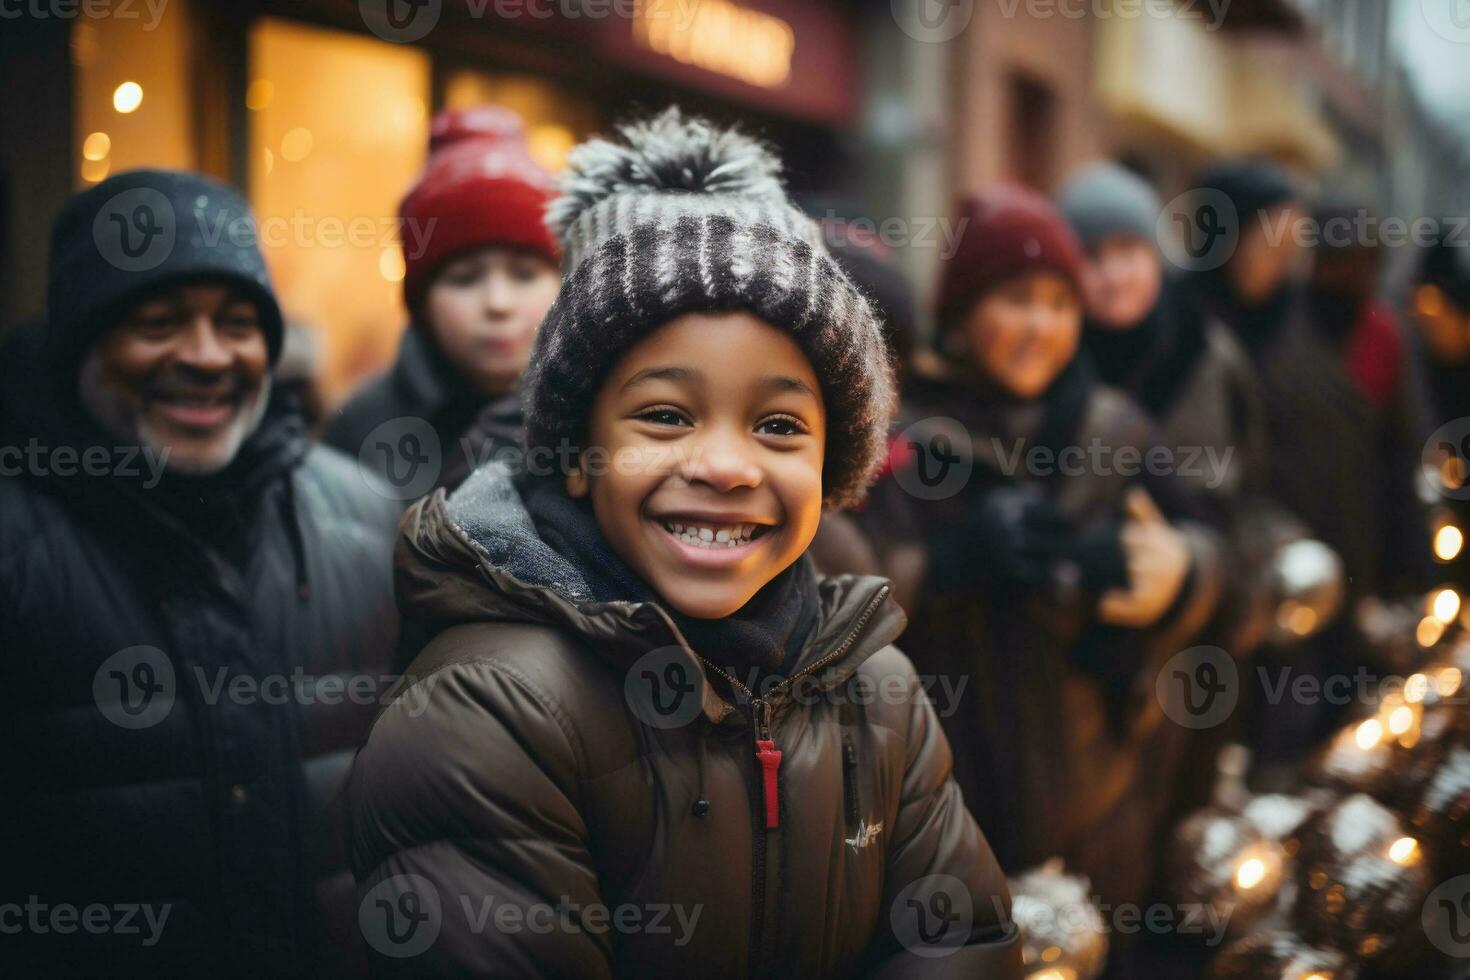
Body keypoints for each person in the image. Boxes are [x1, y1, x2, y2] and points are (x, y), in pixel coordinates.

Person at [347, 109, 1023, 978]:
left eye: (779, 425)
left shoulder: (874, 685)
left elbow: (960, 939)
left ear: (835, 468)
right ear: (577, 457)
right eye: (666, 416)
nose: (725, 465)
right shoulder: (487, 714)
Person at [0, 170, 402, 978]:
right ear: (84, 339)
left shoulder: (367, 518)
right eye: (158, 323)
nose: (207, 356)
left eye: (238, 323)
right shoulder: (17, 541)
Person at [852, 186, 1222, 915]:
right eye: (1017, 300)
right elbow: (842, 595)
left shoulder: (1116, 431)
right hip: (944, 835)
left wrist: (1179, 574)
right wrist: (945, 568)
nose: (1041, 327)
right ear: (960, 314)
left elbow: (1219, 556)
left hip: (1106, 825)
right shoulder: (901, 435)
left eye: (1060, 306)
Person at [324, 105, 561, 493]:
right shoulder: (360, 426)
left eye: (524, 274)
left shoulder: (598, 416)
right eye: (464, 279)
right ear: (423, 305)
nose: (498, 303)